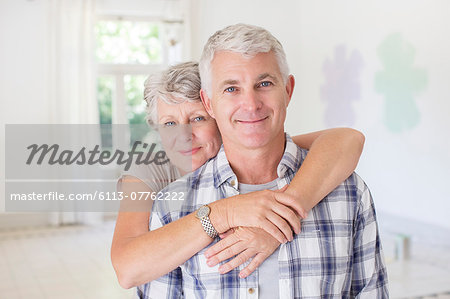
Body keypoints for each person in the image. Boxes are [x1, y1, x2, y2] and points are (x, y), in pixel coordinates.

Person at [140, 24, 388, 298]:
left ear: (288, 90)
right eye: (232, 88)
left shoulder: (348, 193)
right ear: (209, 102)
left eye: (264, 84)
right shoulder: (169, 206)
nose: (251, 104)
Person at [111, 64, 364, 289]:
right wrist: (223, 213)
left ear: (220, 116)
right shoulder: (149, 171)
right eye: (169, 124)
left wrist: (278, 223)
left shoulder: (251, 152)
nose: (184, 136)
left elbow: (346, 139)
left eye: (198, 118)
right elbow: (127, 269)